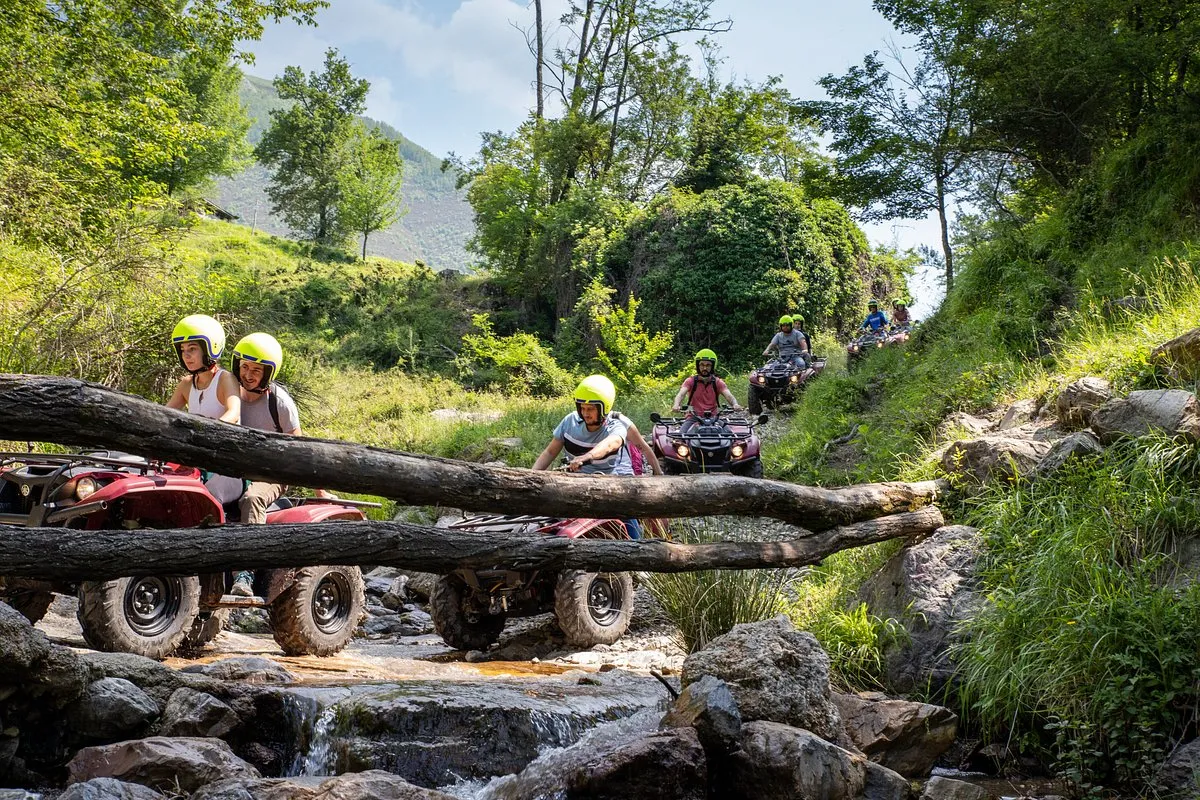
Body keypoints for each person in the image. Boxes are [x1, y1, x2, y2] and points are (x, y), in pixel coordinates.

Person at [227, 332, 333, 595]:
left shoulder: (280, 403)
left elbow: (300, 452)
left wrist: (319, 492)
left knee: (252, 498)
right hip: (231, 470)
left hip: (270, 474)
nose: (248, 374)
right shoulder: (228, 394)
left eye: (256, 370)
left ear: (268, 373)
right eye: (244, 367)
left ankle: (246, 574)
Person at [531, 375, 660, 537]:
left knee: (629, 526)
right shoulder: (569, 422)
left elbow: (610, 444)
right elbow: (549, 452)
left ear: (604, 407)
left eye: (590, 409)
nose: (585, 413)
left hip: (611, 485)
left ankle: (637, 546)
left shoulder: (617, 424)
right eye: (582, 408)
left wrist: (658, 474)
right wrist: (531, 477)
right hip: (575, 484)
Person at [166, 314, 240, 423]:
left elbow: (233, 414)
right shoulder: (186, 383)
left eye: (192, 349)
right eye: (182, 350)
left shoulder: (225, 379)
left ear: (210, 348)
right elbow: (165, 413)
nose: (186, 355)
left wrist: (208, 431)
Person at [671, 348, 741, 434]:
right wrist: (676, 405)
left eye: (708, 365)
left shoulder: (717, 382)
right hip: (693, 417)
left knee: (730, 436)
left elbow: (729, 396)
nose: (704, 368)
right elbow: (681, 394)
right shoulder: (691, 381)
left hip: (713, 417)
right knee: (681, 437)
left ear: (712, 366)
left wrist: (735, 404)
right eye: (702, 365)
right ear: (697, 366)